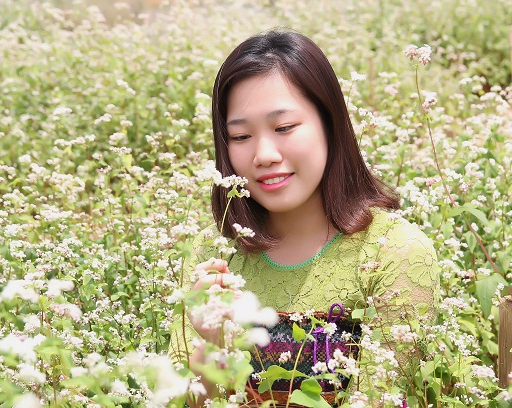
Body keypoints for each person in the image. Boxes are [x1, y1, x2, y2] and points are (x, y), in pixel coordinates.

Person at [170, 29, 440, 407]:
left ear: (330, 124)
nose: (264, 154)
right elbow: (182, 401)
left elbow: (385, 397)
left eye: (284, 128)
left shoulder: (394, 254)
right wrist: (211, 345)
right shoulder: (211, 257)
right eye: (242, 136)